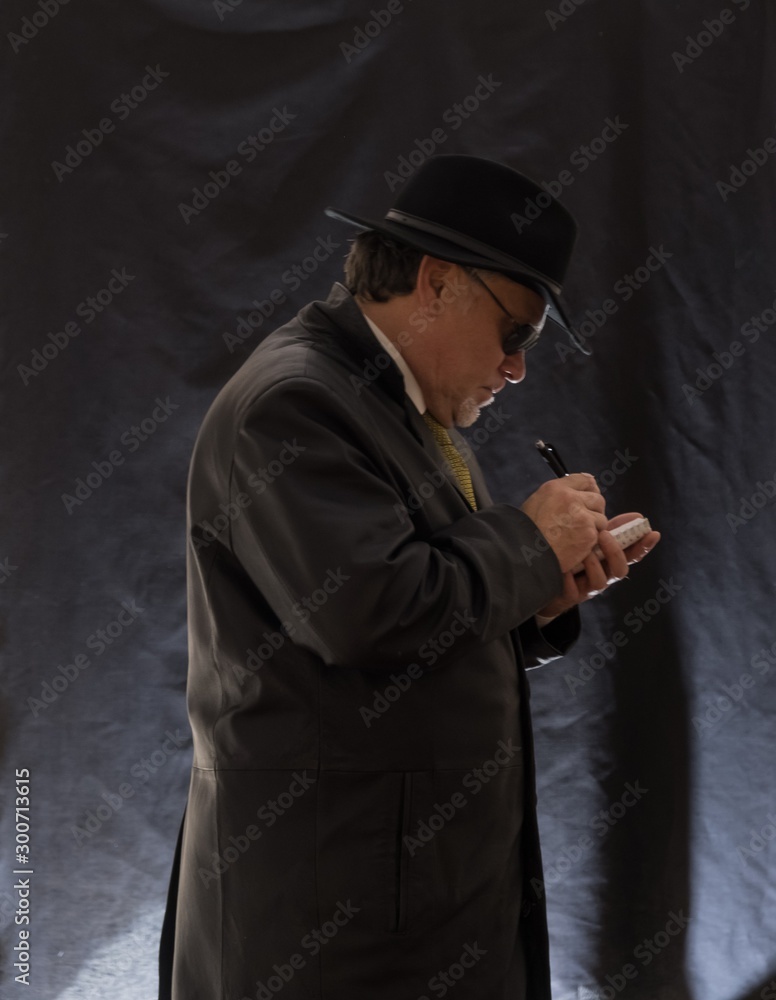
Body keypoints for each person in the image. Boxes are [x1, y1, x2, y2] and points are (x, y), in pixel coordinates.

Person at [158, 153, 660, 1000]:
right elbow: (370, 611)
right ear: (437, 282)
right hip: (334, 937)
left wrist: (538, 599)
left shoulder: (393, 403)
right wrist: (528, 539)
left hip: (414, 915)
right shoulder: (293, 404)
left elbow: (421, 620)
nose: (517, 368)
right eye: (516, 334)